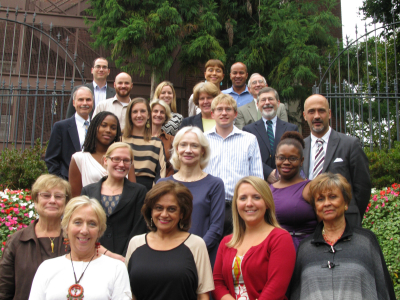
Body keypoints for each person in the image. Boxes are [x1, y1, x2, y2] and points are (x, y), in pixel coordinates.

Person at [289, 173, 396, 300]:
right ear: (315, 207)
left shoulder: (365, 241)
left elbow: (384, 290)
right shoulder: (305, 248)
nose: (326, 203)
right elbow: (296, 293)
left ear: (346, 203)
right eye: (320, 199)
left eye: (333, 197)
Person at [29, 196, 132, 299]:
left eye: (92, 224)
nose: (84, 230)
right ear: (66, 227)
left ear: (99, 231)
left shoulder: (116, 269)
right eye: (77, 222)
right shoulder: (47, 268)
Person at [125, 181, 214, 300]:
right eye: (158, 208)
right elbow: (128, 293)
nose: (164, 214)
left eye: (171, 209)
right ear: (150, 211)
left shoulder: (196, 244)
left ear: (182, 213)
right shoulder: (135, 243)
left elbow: (203, 295)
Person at [212, 176, 296, 300]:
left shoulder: (280, 238)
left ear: (267, 203)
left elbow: (276, 288)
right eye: (243, 198)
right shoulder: (226, 242)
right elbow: (217, 282)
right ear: (236, 204)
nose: (249, 203)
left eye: (256, 197)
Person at [158, 126, 225, 267]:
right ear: (176, 149)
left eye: (194, 145)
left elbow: (216, 228)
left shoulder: (215, 184)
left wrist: (193, 252)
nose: (188, 150)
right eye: (183, 145)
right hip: (167, 256)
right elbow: (156, 222)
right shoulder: (163, 184)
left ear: (202, 151)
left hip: (202, 258)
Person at [302, 94, 371, 227]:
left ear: (329, 114)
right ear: (305, 116)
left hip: (345, 221)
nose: (316, 116)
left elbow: (363, 187)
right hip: (310, 223)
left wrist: (353, 213)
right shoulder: (300, 147)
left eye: (321, 111)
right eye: (311, 111)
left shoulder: (350, 144)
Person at [0, 175, 71, 300]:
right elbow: (4, 290)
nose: (52, 200)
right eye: (46, 195)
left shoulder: (74, 239)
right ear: (35, 200)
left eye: (58, 196)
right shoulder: (18, 241)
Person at [204, 93, 264, 236]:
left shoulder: (249, 140)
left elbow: (257, 177)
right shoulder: (202, 139)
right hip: (209, 206)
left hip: (239, 206)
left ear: (235, 113)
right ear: (212, 114)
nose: (224, 113)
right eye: (219, 109)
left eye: (228, 109)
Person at [81, 142, 147, 256]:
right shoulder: (88, 191)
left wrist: (125, 258)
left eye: (126, 160)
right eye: (116, 159)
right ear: (106, 161)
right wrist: (105, 253)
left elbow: (139, 228)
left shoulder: (139, 192)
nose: (121, 164)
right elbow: (84, 226)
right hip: (93, 255)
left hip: (127, 258)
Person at [69, 111, 136, 197]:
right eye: (103, 125)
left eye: (113, 128)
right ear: (94, 127)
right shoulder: (79, 158)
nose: (108, 130)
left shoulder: (125, 158)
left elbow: (133, 192)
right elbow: (75, 197)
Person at [269, 131, 317, 250]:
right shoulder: (268, 189)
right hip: (274, 249)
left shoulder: (309, 188)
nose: (286, 162)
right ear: (276, 159)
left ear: (301, 160)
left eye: (292, 158)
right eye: (281, 158)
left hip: (303, 249)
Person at [243, 87, 298, 184]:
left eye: (271, 99)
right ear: (257, 104)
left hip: (286, 182)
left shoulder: (291, 129)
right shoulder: (248, 130)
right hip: (260, 183)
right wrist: (268, 172)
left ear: (278, 103)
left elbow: (296, 156)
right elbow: (247, 158)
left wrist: (280, 173)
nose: (267, 102)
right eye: (263, 100)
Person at [45, 86, 94, 180]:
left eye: (88, 100)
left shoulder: (97, 127)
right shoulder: (61, 127)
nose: (85, 103)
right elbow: (51, 159)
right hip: (68, 181)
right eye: (81, 100)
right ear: (74, 103)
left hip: (92, 182)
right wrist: (60, 180)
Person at [122, 98, 166, 191]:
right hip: (123, 189)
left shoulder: (157, 143)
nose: (139, 115)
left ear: (148, 115)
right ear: (130, 115)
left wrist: (153, 195)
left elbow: (161, 174)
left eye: (142, 111)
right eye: (135, 112)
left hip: (149, 191)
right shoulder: (120, 140)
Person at [150, 99, 175, 177]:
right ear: (149, 114)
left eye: (162, 112)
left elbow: (173, 166)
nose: (158, 114)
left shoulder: (171, 140)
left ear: (165, 117)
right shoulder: (140, 137)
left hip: (163, 183)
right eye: (155, 111)